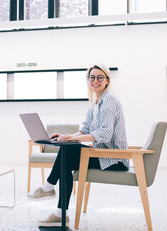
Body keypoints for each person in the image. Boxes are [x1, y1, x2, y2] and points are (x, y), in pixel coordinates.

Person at [28, 64, 129, 228]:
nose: (95, 81)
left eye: (100, 77)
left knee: (68, 151)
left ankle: (48, 188)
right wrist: (68, 137)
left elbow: (105, 134)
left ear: (107, 80)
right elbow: (86, 129)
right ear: (88, 80)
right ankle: (59, 213)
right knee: (66, 154)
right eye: (92, 77)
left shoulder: (109, 100)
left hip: (115, 159)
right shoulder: (95, 101)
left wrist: (74, 140)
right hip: (102, 154)